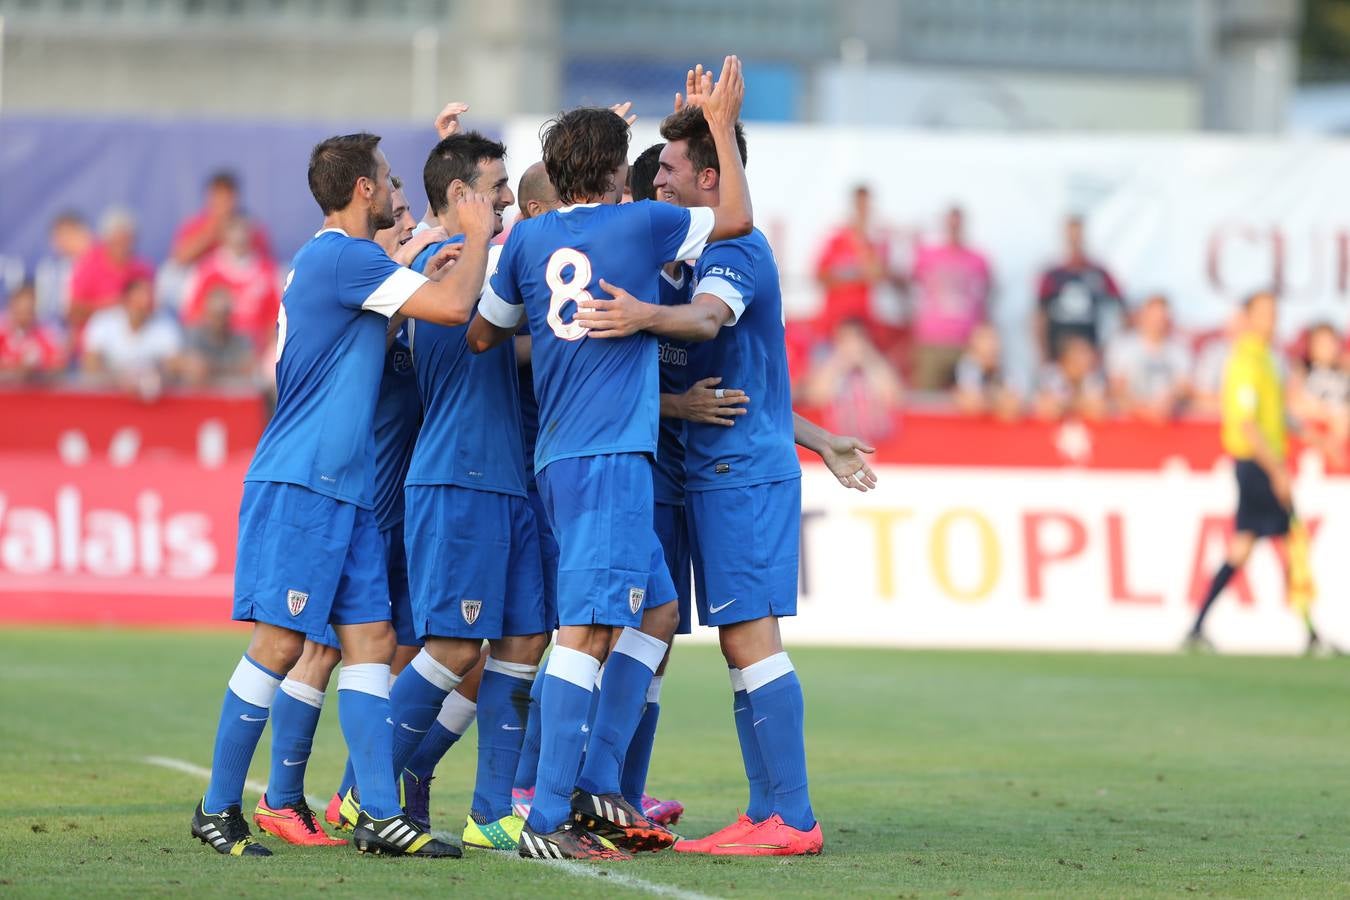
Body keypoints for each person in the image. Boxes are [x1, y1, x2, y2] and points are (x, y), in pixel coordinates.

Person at [573, 97, 879, 858]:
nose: (659, 181)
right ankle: (758, 807)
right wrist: (819, 438)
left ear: (711, 176)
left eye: (672, 168)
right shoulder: (676, 256)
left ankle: (793, 817)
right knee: (689, 632)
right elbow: (750, 387)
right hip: (706, 470)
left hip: (741, 476)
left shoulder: (735, 254)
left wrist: (638, 315)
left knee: (750, 640)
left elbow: (709, 325)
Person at [467, 57, 755, 861]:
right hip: (611, 456)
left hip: (560, 451)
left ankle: (594, 784)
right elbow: (734, 216)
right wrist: (721, 131)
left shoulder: (526, 237)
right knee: (586, 632)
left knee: (656, 614)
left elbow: (487, 333)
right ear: (608, 170)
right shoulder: (637, 227)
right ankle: (547, 815)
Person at [189, 131, 493, 859]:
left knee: (371, 644)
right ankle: (218, 806)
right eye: (387, 180)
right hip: (303, 483)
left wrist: (418, 257)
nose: (395, 193)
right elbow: (453, 310)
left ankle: (380, 814)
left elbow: (384, 300)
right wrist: (476, 235)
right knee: (280, 641)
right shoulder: (341, 256)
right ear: (362, 190)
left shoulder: (337, 260)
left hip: (345, 491)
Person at [386, 130, 550, 853]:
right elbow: (469, 326)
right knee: (453, 648)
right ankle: (364, 788)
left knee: (522, 640)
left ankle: (489, 811)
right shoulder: (438, 262)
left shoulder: (480, 256)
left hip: (505, 479)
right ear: (460, 198)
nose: (508, 198)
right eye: (497, 187)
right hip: (456, 478)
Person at [1185, 291, 1323, 653]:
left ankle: (1198, 626)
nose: (1272, 320)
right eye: (1263, 313)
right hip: (1257, 464)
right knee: (1291, 542)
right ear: (1247, 317)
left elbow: (1275, 414)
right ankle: (1311, 632)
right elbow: (1247, 425)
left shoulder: (1267, 359)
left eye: (1274, 313)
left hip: (1261, 463)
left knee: (1245, 547)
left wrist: (1313, 438)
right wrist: (1276, 470)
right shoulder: (1246, 360)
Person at [909, 205, 992, 390]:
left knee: (971, 395)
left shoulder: (978, 259)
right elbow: (909, 287)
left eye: (957, 223)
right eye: (950, 223)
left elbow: (986, 297)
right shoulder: (927, 255)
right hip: (932, 340)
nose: (954, 227)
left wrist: (984, 338)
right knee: (927, 398)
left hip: (967, 342)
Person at [813, 184, 898, 346]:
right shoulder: (836, 240)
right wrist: (855, 274)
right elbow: (820, 276)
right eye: (860, 205)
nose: (863, 211)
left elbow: (878, 276)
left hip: (863, 327)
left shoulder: (874, 244)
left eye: (866, 206)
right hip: (833, 327)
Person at [179, 215, 282, 348]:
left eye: (243, 231)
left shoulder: (268, 272)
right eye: (234, 230)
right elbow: (191, 316)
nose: (239, 237)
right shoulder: (206, 271)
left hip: (256, 354)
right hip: (214, 350)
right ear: (224, 235)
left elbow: (278, 319)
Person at [799, 317, 903, 444]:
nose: (852, 345)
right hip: (840, 442)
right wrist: (839, 362)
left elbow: (894, 397)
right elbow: (815, 397)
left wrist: (869, 360)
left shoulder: (878, 363)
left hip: (881, 443)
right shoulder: (828, 364)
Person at [1036, 215, 1124, 362]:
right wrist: (1043, 353)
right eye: (1071, 236)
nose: (1075, 241)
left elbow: (1120, 309)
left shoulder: (1099, 273)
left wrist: (1106, 349)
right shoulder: (1052, 275)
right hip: (1059, 356)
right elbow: (1040, 316)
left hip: (1090, 356)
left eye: (1078, 235)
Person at [81, 276, 183, 395]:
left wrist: (154, 377)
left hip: (151, 395)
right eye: (138, 300)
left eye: (148, 299)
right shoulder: (103, 321)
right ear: (125, 300)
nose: (143, 305)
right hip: (108, 394)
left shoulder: (165, 326)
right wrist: (119, 379)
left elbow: (173, 364)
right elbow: (90, 363)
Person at [1104, 293, 1193, 421]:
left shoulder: (1179, 349)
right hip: (1131, 422)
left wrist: (1169, 400)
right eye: (1154, 316)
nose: (1158, 321)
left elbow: (1185, 386)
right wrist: (1143, 409)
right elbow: (1116, 388)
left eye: (1162, 317)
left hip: (1167, 421)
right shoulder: (1123, 347)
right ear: (1143, 316)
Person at [68, 209, 153, 332]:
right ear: (106, 240)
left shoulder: (142, 269)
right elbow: (73, 312)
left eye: (127, 240)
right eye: (117, 241)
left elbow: (150, 308)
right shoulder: (88, 266)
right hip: (94, 338)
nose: (122, 246)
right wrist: (110, 306)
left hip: (136, 339)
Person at [171, 171, 271, 268]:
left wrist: (240, 240)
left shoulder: (250, 227)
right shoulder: (195, 224)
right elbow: (179, 259)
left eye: (227, 197)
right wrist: (210, 234)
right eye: (218, 196)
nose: (223, 203)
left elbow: (266, 264)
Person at [1287, 322, 1349, 467]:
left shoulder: (1344, 375)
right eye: (1322, 342)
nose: (1328, 348)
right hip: (1309, 455)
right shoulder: (1301, 374)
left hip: (1340, 458)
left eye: (1331, 342)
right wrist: (1326, 413)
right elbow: (1292, 409)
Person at [179, 288, 258, 387]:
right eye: (215, 314)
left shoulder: (240, 339)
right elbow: (174, 363)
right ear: (206, 313)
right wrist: (186, 364)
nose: (219, 321)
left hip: (231, 398)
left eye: (223, 314)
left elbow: (249, 367)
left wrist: (211, 369)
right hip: (199, 396)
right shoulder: (193, 336)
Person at [0, 282, 67, 383]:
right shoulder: (2, 335)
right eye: (20, 311)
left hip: (34, 394)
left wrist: (37, 370)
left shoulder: (44, 336)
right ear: (12, 309)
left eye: (28, 311)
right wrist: (16, 369)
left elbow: (59, 366)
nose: (23, 316)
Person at [33, 211, 92, 324]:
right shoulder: (49, 269)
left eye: (67, 234)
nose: (60, 241)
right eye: (57, 235)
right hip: (55, 329)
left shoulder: (97, 264)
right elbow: (42, 311)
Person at [1033, 335, 1108, 421]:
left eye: (1088, 353)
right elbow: (1047, 408)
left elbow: (1098, 408)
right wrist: (1079, 405)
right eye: (1081, 353)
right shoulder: (1049, 374)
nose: (1088, 358)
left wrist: (1066, 405)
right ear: (1066, 357)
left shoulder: (1093, 376)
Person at [953, 323, 1020, 419]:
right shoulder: (967, 365)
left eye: (993, 340)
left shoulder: (1004, 366)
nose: (991, 346)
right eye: (986, 341)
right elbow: (971, 403)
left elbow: (1013, 403)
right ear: (974, 346)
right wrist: (997, 401)